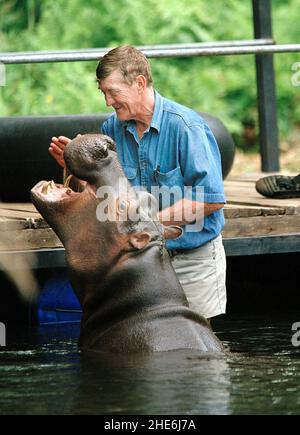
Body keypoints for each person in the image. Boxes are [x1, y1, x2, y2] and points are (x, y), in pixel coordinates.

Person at [49, 45, 227, 322]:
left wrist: (150, 224)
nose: (108, 101)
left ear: (139, 83)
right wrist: (76, 170)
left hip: (193, 260)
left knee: (199, 353)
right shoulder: (111, 129)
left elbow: (210, 199)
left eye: (113, 91)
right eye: (103, 93)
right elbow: (101, 196)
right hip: (141, 264)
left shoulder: (187, 127)